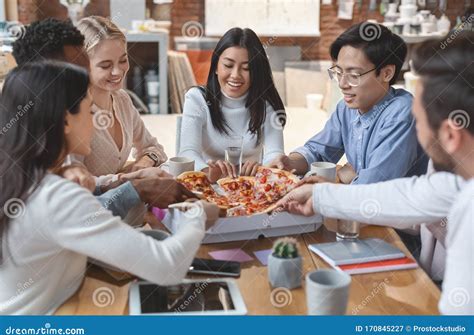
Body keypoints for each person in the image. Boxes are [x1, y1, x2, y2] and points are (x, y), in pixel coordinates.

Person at [277, 32, 474, 315]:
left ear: (451, 136)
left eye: (418, 121)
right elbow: (408, 195)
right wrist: (320, 194)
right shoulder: (454, 181)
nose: (415, 130)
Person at [0, 61, 218, 315]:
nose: (95, 123)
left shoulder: (21, 175)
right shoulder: (57, 196)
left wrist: (125, 179)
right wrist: (198, 216)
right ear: (66, 121)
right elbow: (166, 266)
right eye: (90, 112)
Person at [12, 18, 193, 221]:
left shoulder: (122, 100)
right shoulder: (71, 114)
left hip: (136, 221)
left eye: (123, 60)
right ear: (82, 65)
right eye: (105, 65)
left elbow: (155, 149)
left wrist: (142, 164)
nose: (118, 72)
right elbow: (80, 184)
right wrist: (133, 179)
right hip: (101, 224)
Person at [270, 22, 428, 184]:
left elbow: (372, 189)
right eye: (338, 72)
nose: (342, 84)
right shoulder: (346, 108)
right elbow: (317, 151)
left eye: (354, 75)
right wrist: (290, 163)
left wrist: (343, 177)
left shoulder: (402, 113)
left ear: (386, 73)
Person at [179, 27, 285, 182]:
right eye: (228, 65)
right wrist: (207, 171)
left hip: (251, 190)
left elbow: (276, 154)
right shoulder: (197, 99)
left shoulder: (265, 104)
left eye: (246, 68)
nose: (235, 75)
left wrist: (263, 168)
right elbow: (187, 152)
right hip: (207, 185)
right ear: (216, 66)